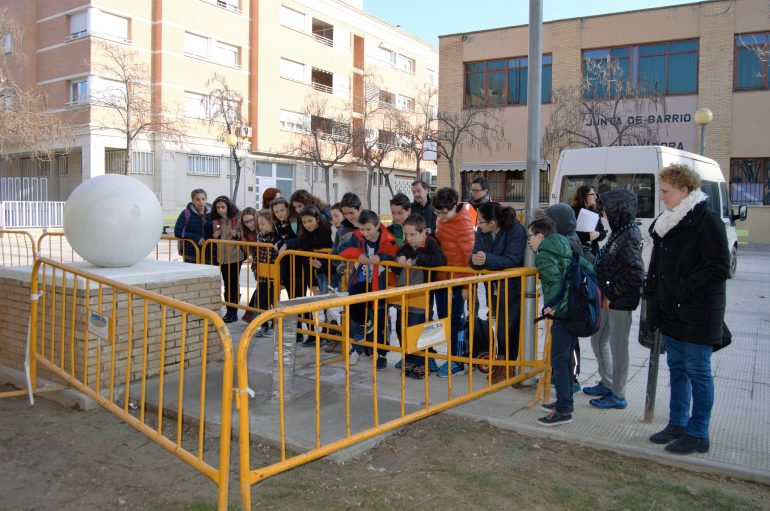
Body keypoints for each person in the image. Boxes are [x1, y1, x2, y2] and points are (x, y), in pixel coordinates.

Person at [644, 163, 730, 455]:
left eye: (666, 191)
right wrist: (656, 299)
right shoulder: (668, 222)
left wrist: (683, 289)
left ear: (684, 190)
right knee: (677, 369)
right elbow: (659, 267)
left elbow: (718, 267)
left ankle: (698, 432)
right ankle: (677, 423)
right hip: (672, 312)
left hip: (698, 314)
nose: (662, 197)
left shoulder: (707, 221)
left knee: (698, 371)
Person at [583, 189, 644, 410]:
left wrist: (612, 292)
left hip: (619, 302)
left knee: (619, 348)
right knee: (598, 340)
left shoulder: (629, 235)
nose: (604, 212)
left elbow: (636, 273)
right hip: (608, 298)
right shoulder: (620, 232)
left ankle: (618, 394)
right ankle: (607, 382)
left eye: (607, 209)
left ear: (618, 210)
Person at [527, 217, 576, 427]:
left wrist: (553, 306)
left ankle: (564, 410)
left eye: (530, 237)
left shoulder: (544, 255)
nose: (529, 242)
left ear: (540, 236)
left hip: (562, 313)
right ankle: (566, 401)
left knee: (559, 359)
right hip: (573, 308)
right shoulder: (564, 245)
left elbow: (554, 282)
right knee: (566, 359)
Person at [338, 210, 399, 367]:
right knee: (353, 302)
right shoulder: (356, 236)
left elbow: (395, 255)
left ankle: (381, 355)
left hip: (381, 284)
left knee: (380, 317)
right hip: (362, 280)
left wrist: (382, 257)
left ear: (378, 226)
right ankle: (362, 333)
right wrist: (357, 254)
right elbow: (342, 249)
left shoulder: (388, 238)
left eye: (368, 229)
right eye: (362, 229)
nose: (365, 233)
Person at [470, 201, 527, 369]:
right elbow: (475, 255)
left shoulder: (516, 230)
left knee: (509, 328)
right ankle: (500, 363)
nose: (478, 225)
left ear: (492, 222)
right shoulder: (482, 232)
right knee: (499, 326)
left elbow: (513, 259)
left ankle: (507, 365)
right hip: (493, 287)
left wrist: (487, 259)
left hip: (513, 287)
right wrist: (474, 260)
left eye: (480, 221)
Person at [394, 214, 447, 379]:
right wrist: (400, 255)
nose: (409, 239)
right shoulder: (408, 245)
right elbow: (401, 251)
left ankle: (420, 363)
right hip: (404, 294)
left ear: (424, 232)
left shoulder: (431, 243)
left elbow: (440, 259)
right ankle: (408, 359)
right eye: (406, 234)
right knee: (401, 326)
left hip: (422, 296)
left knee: (418, 329)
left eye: (412, 235)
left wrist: (418, 260)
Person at [433, 186, 477, 377]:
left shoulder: (464, 226)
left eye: (443, 212)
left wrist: (468, 286)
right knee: (445, 320)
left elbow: (470, 257)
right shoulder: (441, 219)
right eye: (437, 213)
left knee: (455, 321)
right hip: (443, 279)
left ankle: (457, 361)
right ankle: (452, 356)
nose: (440, 216)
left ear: (453, 206)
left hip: (458, 280)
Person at [544, 203, 584, 393]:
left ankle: (573, 378)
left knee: (569, 344)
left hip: (569, 302)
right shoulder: (563, 239)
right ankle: (560, 375)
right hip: (562, 301)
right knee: (561, 344)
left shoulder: (568, 243)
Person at [294, 205, 334, 347]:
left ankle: (330, 334)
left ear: (317, 218)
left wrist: (322, 264)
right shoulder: (303, 235)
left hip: (332, 271)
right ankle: (322, 334)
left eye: (310, 221)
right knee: (324, 304)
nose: (307, 225)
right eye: (304, 222)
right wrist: (312, 284)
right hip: (318, 274)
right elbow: (306, 260)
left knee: (331, 305)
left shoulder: (328, 230)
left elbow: (334, 254)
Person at [211, 195, 245, 323]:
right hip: (222, 257)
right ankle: (229, 311)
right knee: (227, 283)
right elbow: (214, 235)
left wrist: (238, 235)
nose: (220, 210)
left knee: (233, 284)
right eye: (218, 207)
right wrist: (214, 235)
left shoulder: (237, 218)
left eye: (222, 207)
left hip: (235, 256)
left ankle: (233, 312)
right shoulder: (217, 220)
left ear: (228, 207)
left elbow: (245, 234)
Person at [174, 188, 213, 264]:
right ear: (193, 201)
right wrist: (195, 237)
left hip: (209, 255)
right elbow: (177, 232)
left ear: (206, 199)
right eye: (197, 199)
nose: (201, 202)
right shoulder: (186, 213)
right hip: (191, 254)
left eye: (203, 199)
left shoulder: (212, 214)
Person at [571, 185, 607, 257]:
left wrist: (598, 234)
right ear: (584, 196)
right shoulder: (572, 212)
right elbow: (570, 234)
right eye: (593, 194)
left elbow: (603, 232)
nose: (596, 197)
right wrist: (588, 236)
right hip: (578, 254)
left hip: (593, 253)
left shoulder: (595, 213)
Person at [239, 207, 260, 324]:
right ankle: (251, 315)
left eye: (251, 220)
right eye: (246, 222)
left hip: (271, 261)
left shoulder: (262, 227)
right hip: (258, 262)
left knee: (265, 290)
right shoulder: (247, 234)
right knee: (262, 289)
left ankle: (251, 315)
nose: (249, 224)